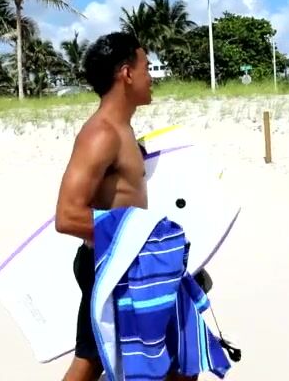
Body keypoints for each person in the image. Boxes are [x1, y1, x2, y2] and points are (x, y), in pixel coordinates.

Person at [54, 32, 196, 381]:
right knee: (90, 361)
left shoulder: (123, 130)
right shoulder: (101, 134)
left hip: (136, 265)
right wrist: (139, 242)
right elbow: (67, 215)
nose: (152, 76)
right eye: (146, 67)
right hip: (110, 265)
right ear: (127, 73)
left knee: (181, 356)